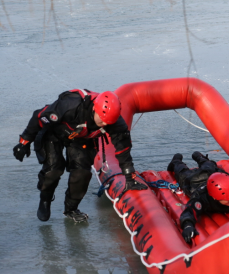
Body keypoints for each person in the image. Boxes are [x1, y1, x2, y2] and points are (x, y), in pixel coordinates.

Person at [13, 89, 148, 223]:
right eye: (102, 120)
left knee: (82, 173)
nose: (105, 124)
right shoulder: (70, 106)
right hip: (53, 133)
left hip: (81, 139)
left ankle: (71, 209)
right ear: (95, 109)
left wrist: (129, 177)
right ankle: (45, 198)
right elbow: (38, 117)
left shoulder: (115, 123)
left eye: (109, 122)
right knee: (54, 169)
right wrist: (23, 142)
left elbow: (123, 150)